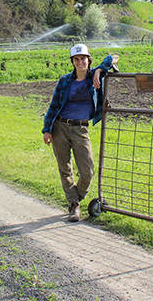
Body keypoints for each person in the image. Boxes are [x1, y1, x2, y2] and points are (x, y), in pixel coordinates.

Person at [42, 44, 119, 222]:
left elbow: (113, 57)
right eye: (76, 59)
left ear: (88, 60)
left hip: (81, 128)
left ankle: (76, 198)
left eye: (83, 58)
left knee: (87, 171)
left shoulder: (94, 77)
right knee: (64, 168)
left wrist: (99, 70)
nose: (80, 62)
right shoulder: (64, 81)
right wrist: (47, 129)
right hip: (60, 127)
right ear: (72, 62)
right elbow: (53, 105)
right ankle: (73, 205)